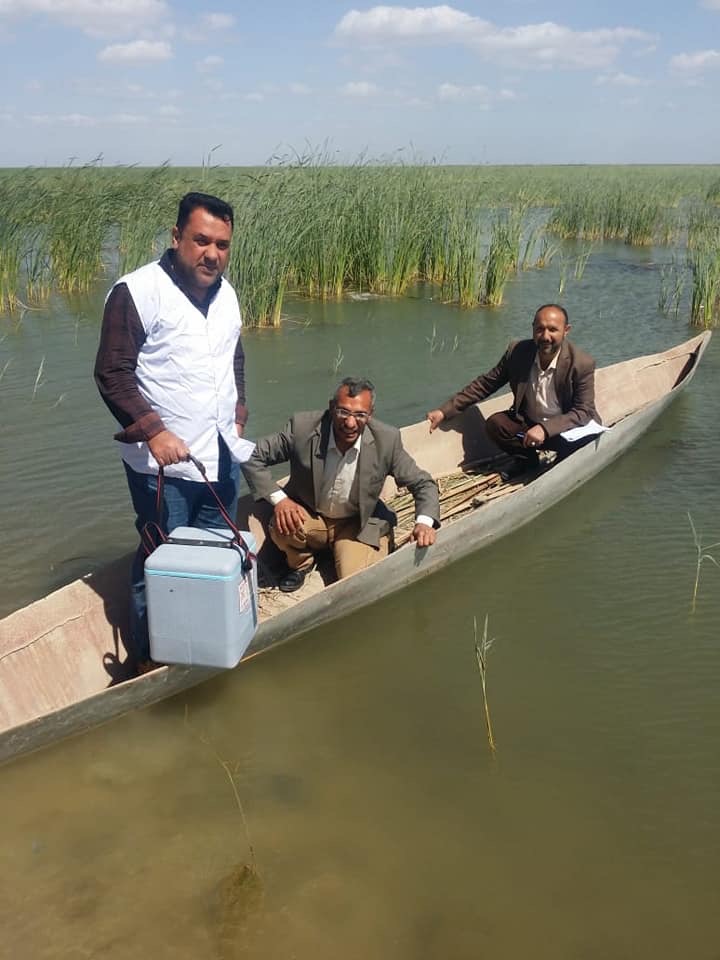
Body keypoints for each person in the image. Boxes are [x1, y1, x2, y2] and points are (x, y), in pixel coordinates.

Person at [94, 191, 255, 670]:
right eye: (202, 240)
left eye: (223, 245)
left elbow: (234, 358)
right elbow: (112, 372)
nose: (212, 254)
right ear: (177, 236)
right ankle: (152, 658)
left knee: (212, 554)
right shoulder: (137, 291)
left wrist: (239, 413)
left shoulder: (226, 294)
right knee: (160, 562)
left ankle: (208, 644)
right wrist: (154, 432)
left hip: (220, 453)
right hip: (160, 466)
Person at [242, 377, 440, 592]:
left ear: (370, 415)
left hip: (356, 524)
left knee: (356, 586)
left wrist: (424, 522)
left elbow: (423, 484)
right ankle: (301, 563)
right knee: (284, 526)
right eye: (343, 412)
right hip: (311, 515)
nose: (350, 423)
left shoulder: (387, 440)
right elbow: (249, 455)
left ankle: (359, 547)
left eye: (360, 415)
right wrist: (280, 500)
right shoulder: (303, 428)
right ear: (331, 407)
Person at [427, 304, 599, 474]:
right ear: (533, 328)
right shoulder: (518, 352)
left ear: (566, 330)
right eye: (540, 329)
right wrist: (444, 411)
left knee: (585, 442)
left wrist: (545, 429)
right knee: (496, 425)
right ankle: (528, 460)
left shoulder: (581, 363)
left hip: (565, 431)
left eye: (553, 330)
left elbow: (583, 411)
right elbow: (486, 383)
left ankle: (563, 462)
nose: (545, 336)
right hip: (529, 432)